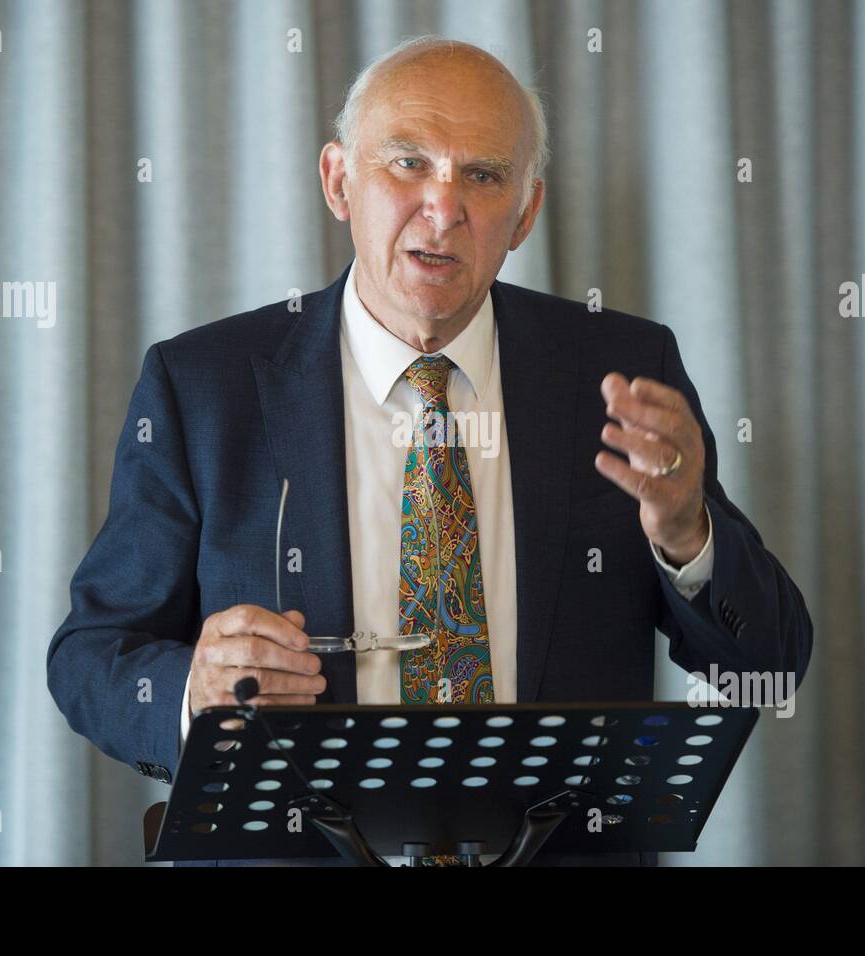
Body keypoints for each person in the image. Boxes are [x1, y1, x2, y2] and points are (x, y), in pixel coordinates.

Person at [47, 35, 812, 866]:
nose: (443, 209)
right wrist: (194, 696)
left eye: (482, 175)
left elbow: (764, 666)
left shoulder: (619, 374)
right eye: (408, 163)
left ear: (525, 212)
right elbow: (91, 655)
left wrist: (688, 531)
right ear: (339, 181)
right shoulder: (201, 386)